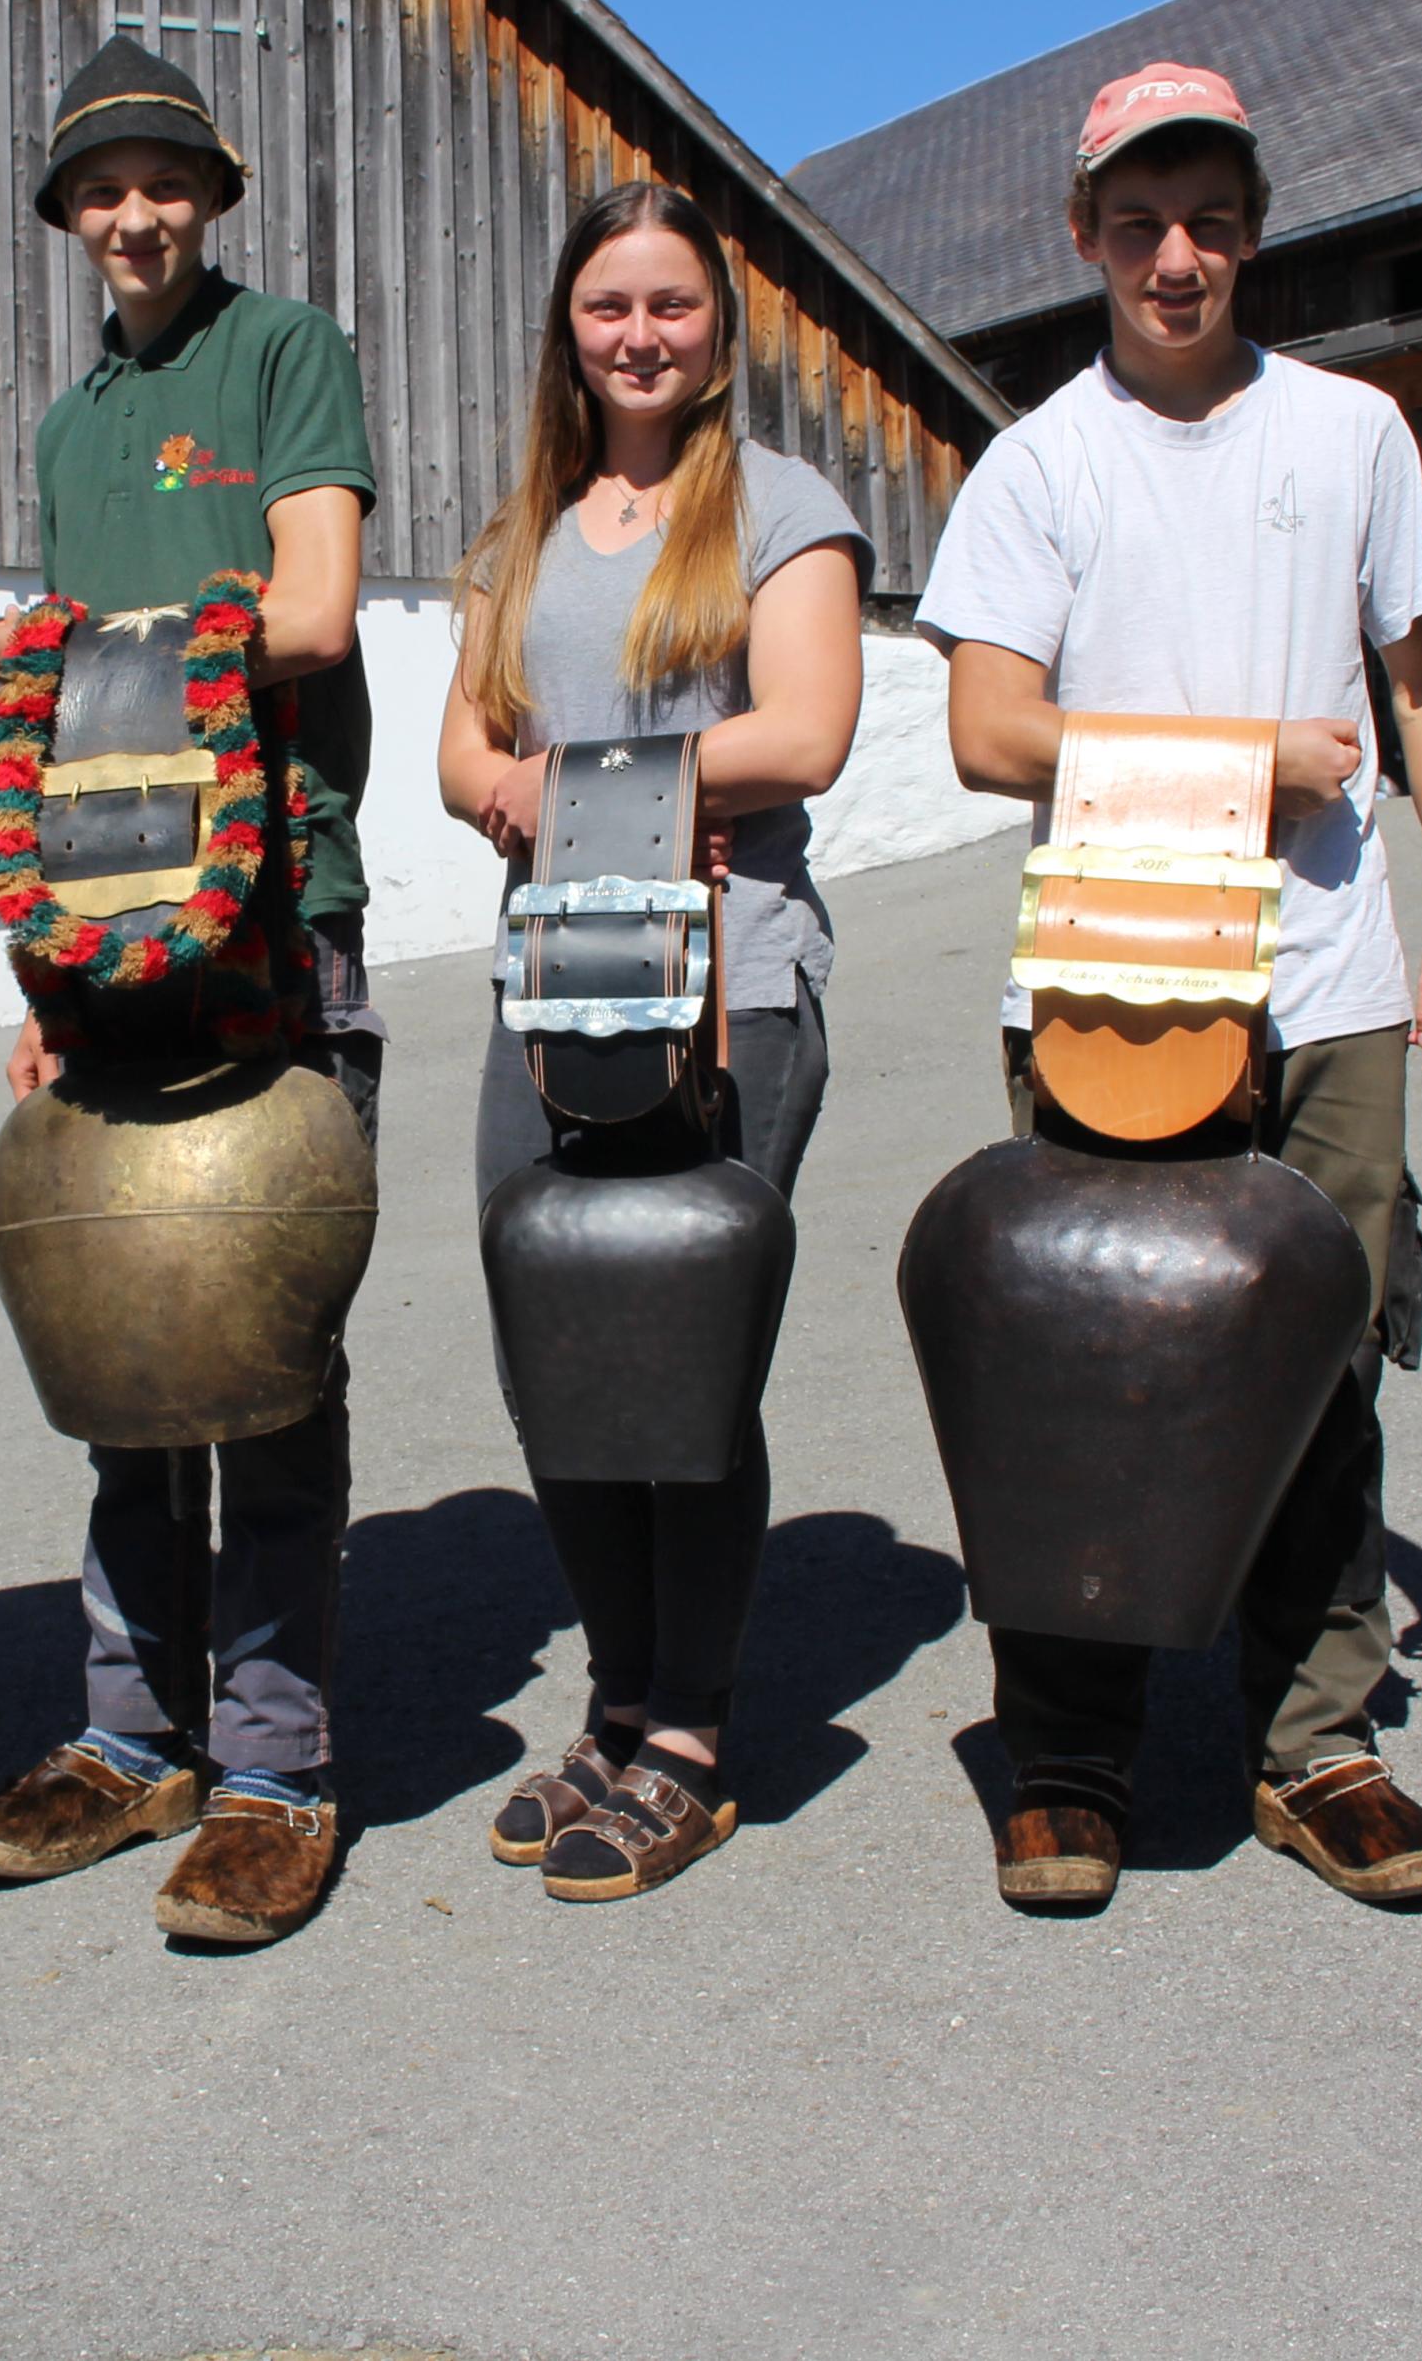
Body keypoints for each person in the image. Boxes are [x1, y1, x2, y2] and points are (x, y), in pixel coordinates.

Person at [914, 63, 1422, 1914]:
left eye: (1212, 221)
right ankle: (1068, 1755)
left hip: (1327, 976)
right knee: (1087, 1359)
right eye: (1141, 223)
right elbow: (988, 728)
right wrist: (1249, 759)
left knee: (1325, 1355)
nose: (1179, 257)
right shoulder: (1041, 465)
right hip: (1114, 973)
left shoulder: (1353, 433)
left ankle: (1317, 1742)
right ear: (1083, 234)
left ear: (1253, 228)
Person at [0, 41, 382, 1948]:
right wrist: (44, 970)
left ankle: (277, 1766)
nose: (136, 216)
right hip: (107, 930)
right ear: (69, 217)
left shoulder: (283, 352)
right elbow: (63, 732)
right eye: (102, 191)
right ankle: (135, 1736)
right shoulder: (72, 427)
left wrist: (68, 651)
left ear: (209, 197)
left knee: (265, 1349)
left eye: (165, 183)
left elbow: (312, 612)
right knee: (128, 1350)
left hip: (272, 908)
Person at [435, 179, 865, 1901]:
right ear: (569, 324)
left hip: (727, 977)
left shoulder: (781, 507)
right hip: (550, 983)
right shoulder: (524, 529)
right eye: (609, 304)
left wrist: (574, 780)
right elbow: (465, 754)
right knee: (554, 1351)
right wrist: (524, 782)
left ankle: (687, 1731)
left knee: (681, 1354)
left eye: (671, 304)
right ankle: (614, 1703)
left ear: (718, 327)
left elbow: (809, 731)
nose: (639, 335)